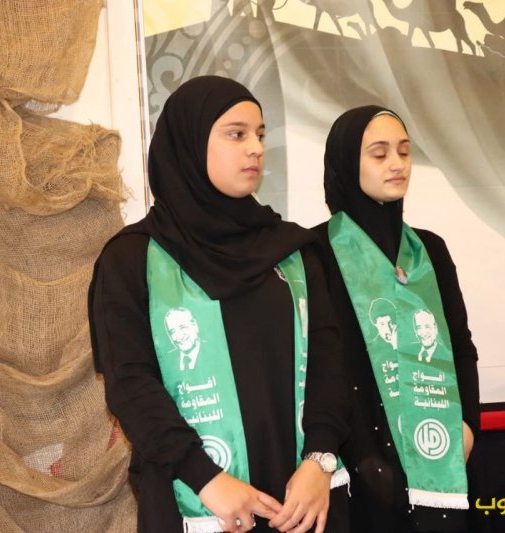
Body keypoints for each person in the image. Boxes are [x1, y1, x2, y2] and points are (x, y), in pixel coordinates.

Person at [88, 76, 350, 533]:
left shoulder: (295, 251)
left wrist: (320, 460)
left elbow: (331, 364)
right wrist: (206, 477)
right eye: (236, 134)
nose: (256, 149)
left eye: (260, 135)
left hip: (302, 499)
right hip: (197, 496)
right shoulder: (132, 258)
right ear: (189, 143)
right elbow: (130, 384)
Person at [312, 106, 480, 532]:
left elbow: (460, 346)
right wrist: (361, 455)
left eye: (404, 152)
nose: (397, 164)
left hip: (439, 450)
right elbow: (322, 366)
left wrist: (468, 427)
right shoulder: (316, 252)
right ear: (347, 162)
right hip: (358, 461)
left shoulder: (430, 250)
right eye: (379, 153)